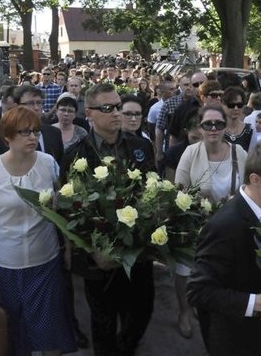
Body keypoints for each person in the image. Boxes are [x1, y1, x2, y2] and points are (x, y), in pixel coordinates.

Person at [60, 82, 155, 356]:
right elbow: (69, 208)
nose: (116, 112)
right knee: (103, 322)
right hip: (99, 260)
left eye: (117, 106)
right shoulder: (75, 155)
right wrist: (90, 250)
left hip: (138, 253)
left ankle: (127, 347)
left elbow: (154, 189)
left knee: (141, 312)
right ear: (89, 113)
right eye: (107, 108)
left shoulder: (140, 146)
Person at [0, 107, 77, 355]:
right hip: (7, 265)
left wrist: (68, 246)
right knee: (15, 330)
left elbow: (63, 208)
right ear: (7, 136)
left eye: (36, 131)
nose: (33, 137)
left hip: (46, 261)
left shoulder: (48, 163)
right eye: (25, 132)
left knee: (49, 330)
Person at [187, 141, 261, 356]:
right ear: (255, 180)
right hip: (240, 339)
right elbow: (198, 291)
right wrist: (257, 303)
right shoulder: (224, 226)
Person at [174, 104, 248, 339]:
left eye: (219, 123)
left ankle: (211, 311)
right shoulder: (191, 153)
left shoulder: (239, 153)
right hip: (196, 224)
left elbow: (249, 187)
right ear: (200, 127)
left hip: (229, 228)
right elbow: (179, 190)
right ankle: (185, 311)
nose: (213, 128)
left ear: (226, 126)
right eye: (208, 124)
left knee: (219, 271)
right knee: (185, 268)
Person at [0, 85, 63, 163]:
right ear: (17, 106)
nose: (36, 108)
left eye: (39, 103)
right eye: (30, 103)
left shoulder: (54, 133)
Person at [222, 86, 256, 152]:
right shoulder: (217, 129)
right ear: (223, 106)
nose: (236, 108)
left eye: (239, 105)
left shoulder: (250, 130)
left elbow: (253, 155)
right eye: (231, 105)